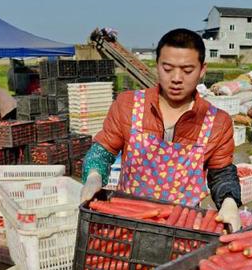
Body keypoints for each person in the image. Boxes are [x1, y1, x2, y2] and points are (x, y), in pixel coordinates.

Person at [79, 28, 242, 231]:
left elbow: (222, 173)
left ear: (202, 70)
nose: (176, 78)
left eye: (187, 70)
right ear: (157, 66)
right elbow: (103, 151)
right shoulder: (128, 105)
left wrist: (229, 202)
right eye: (167, 68)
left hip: (182, 229)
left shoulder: (217, 122)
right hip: (128, 224)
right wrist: (94, 175)